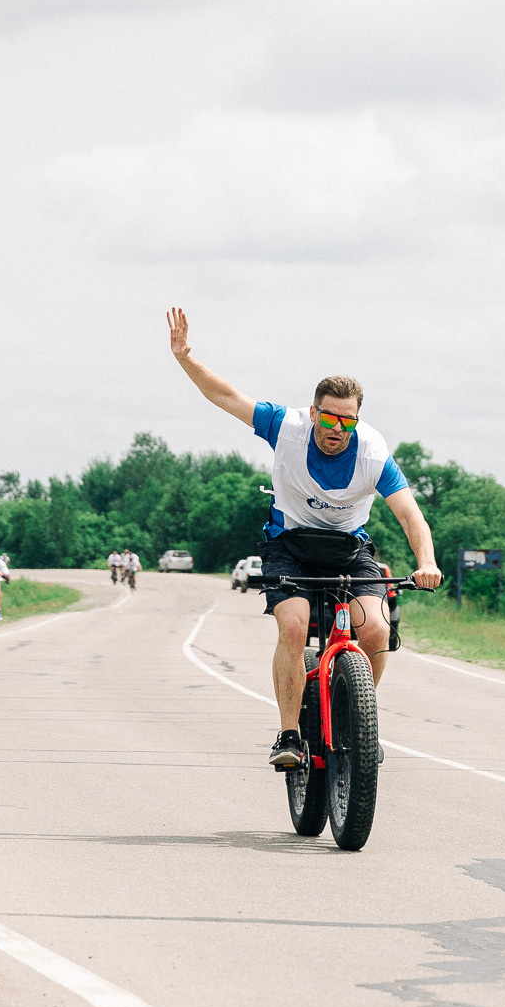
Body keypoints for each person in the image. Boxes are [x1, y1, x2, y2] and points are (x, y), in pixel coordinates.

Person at [167, 306, 442, 770]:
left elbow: (411, 516)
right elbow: (228, 396)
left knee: (375, 628)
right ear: (314, 412)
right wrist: (185, 358)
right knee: (294, 625)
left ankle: (359, 718)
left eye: (347, 422)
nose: (337, 430)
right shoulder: (286, 426)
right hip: (289, 543)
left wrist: (427, 560)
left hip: (347, 548)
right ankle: (289, 732)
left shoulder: (373, 452)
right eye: (330, 419)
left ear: (358, 420)